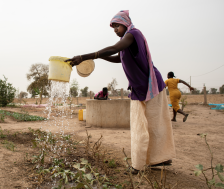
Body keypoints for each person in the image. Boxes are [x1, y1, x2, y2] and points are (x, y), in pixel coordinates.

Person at [66, 10, 176, 174]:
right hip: (141, 87)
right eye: (113, 28)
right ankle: (146, 161)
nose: (115, 30)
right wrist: (100, 57)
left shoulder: (133, 34)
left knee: (155, 124)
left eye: (117, 26)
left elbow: (114, 48)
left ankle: (153, 161)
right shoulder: (127, 42)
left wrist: (84, 56)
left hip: (152, 85)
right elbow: (118, 56)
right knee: (140, 125)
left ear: (125, 24)